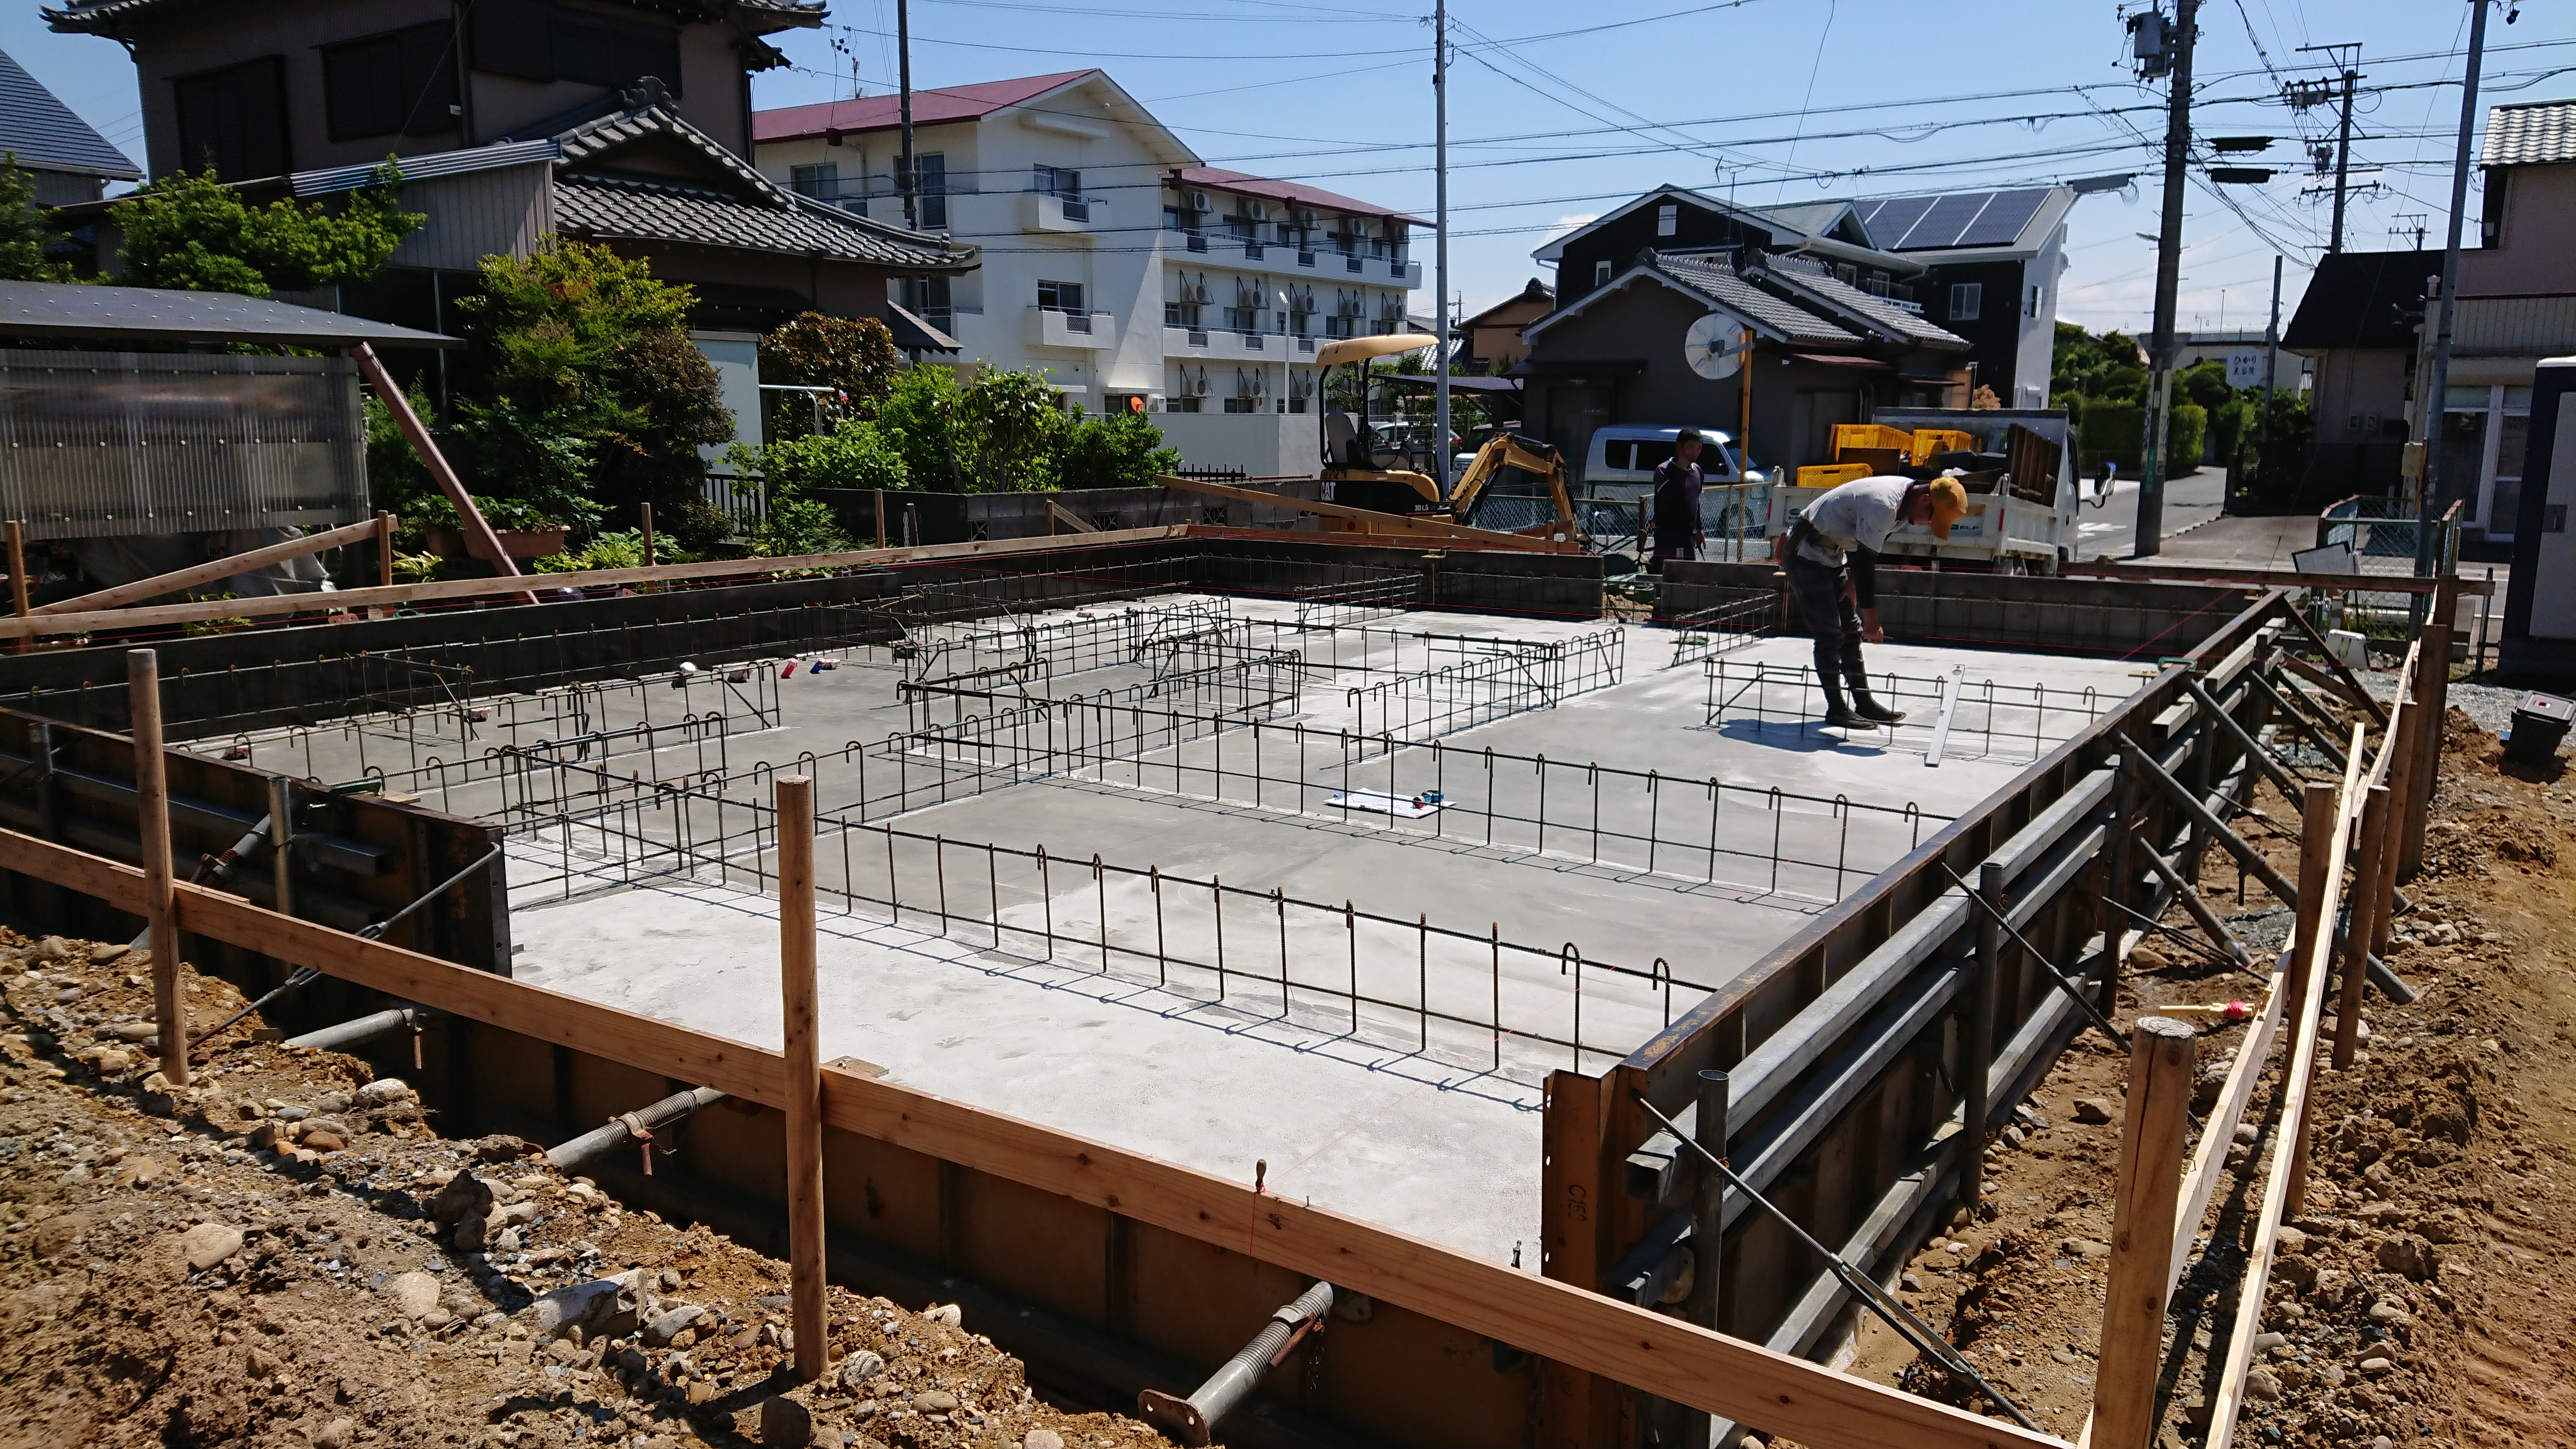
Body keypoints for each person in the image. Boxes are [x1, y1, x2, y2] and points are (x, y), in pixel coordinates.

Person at [1783, 471, 1969, 730]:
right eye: (1932, 519)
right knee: (1829, 634)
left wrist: (1851, 585)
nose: (1928, 525)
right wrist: (1872, 622)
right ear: (1925, 500)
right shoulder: (1884, 504)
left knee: (1849, 631)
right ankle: (1836, 709)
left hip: (1832, 555)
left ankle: (1864, 703)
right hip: (1805, 553)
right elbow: (1868, 564)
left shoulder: (1903, 508)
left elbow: (1865, 553)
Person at [1647, 429, 1706, 571]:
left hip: (1689, 536)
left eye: (1699, 448)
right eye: (1692, 447)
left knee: (1686, 576)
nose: (1696, 452)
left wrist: (1699, 528)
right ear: (1680, 447)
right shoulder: (1664, 471)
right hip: (1668, 535)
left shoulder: (1698, 471)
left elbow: (1695, 501)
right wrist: (1680, 469)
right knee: (1665, 574)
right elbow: (1669, 496)